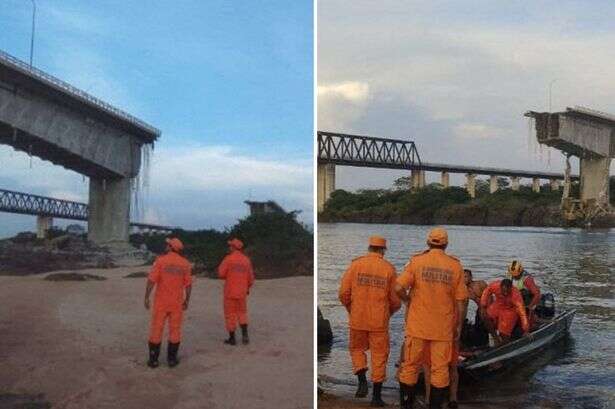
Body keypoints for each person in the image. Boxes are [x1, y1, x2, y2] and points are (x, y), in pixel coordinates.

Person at [395, 227, 468, 409]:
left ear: (428, 243)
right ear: (446, 244)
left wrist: (407, 301)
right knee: (440, 370)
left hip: (417, 326)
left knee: (410, 366)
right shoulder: (455, 265)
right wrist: (458, 326)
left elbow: (397, 288)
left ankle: (406, 404)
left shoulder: (417, 261)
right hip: (443, 329)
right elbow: (462, 300)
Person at [339, 236, 401, 407]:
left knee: (356, 349)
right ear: (383, 250)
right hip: (379, 321)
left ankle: (361, 380)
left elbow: (343, 293)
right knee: (379, 356)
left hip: (357, 318)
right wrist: (388, 313)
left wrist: (352, 310)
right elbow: (396, 301)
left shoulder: (355, 265)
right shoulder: (389, 269)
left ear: (369, 247)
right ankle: (376, 397)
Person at [144, 237, 193, 368]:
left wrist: (146, 297)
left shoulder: (160, 261)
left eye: (168, 244)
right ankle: (172, 360)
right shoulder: (185, 264)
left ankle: (153, 360)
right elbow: (188, 285)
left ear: (171, 247)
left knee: (156, 329)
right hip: (176, 303)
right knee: (175, 330)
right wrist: (187, 300)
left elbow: (151, 280)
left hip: (161, 302)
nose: (166, 245)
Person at [218, 238, 255, 345]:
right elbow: (251, 279)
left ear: (233, 247)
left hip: (230, 292)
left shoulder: (228, 259)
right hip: (242, 292)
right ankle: (245, 335)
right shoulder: (246, 260)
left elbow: (221, 273)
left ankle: (232, 339)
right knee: (242, 313)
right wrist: (246, 287)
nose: (229, 248)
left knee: (230, 315)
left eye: (230, 246)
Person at [479, 279, 529, 345]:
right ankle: (495, 338)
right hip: (498, 304)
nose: (505, 293)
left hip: (510, 310)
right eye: (503, 291)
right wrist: (483, 305)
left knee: (503, 333)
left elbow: (522, 313)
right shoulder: (495, 285)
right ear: (500, 287)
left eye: (507, 291)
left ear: (511, 288)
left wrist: (526, 330)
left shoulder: (516, 295)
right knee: (485, 316)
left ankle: (505, 343)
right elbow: (487, 290)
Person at [461, 269, 489, 348]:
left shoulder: (480, 284)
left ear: (471, 277)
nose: (464, 279)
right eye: (462, 277)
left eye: (466, 276)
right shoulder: (463, 290)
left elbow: (490, 299)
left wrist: (475, 298)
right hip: (476, 311)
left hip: (486, 309)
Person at [508, 261, 541, 328]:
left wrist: (530, 306)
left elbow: (537, 294)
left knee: (528, 323)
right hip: (518, 301)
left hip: (529, 301)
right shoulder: (511, 276)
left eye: (516, 276)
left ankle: (533, 322)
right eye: (513, 276)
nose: (515, 277)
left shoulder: (527, 279)